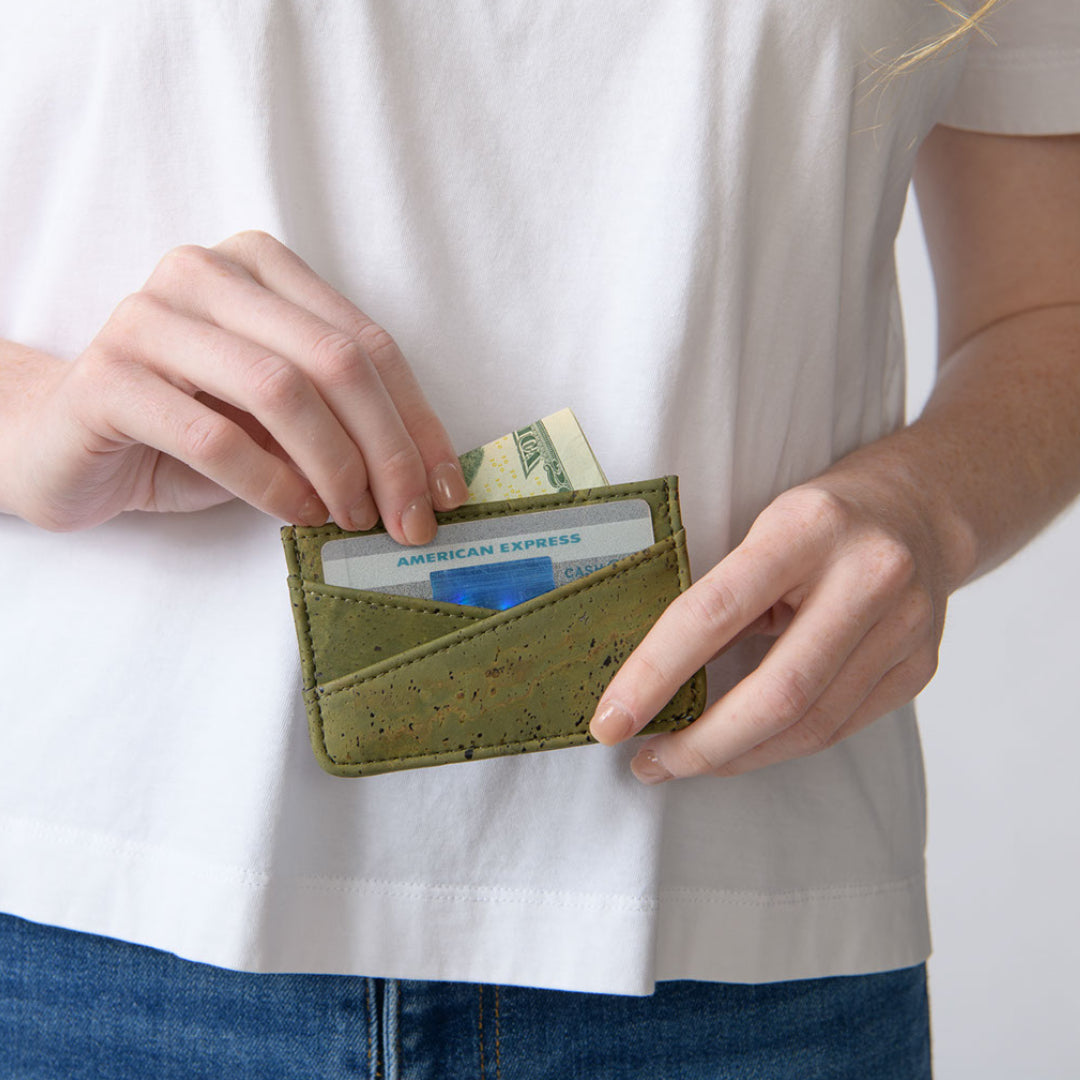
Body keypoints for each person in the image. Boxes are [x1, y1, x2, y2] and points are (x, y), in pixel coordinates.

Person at [0, 1, 1077, 1076]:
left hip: (740, 950)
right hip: (97, 918)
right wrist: (27, 414)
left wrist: (926, 507)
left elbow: (1049, 303)